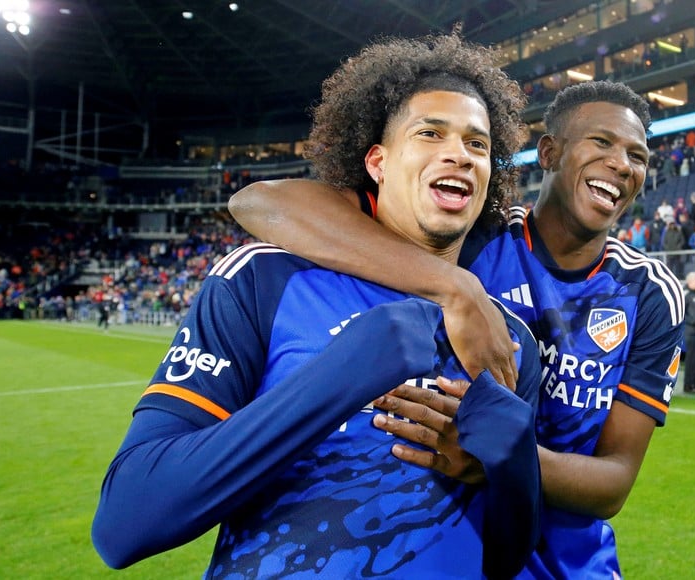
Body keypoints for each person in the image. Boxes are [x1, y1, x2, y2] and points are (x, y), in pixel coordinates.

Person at [92, 33, 544, 579]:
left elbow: (505, 557)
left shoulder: (506, 334)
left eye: (478, 145)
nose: (459, 154)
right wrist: (337, 378)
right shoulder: (264, 278)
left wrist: (514, 472)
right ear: (377, 162)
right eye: (430, 133)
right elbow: (125, 523)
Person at [230, 80, 685, 578]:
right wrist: (456, 287)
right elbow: (261, 204)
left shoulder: (649, 293)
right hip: (451, 546)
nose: (622, 163)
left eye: (637, 155)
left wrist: (499, 459)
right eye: (602, 142)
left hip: (572, 566)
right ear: (549, 152)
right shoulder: (468, 231)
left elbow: (615, 482)